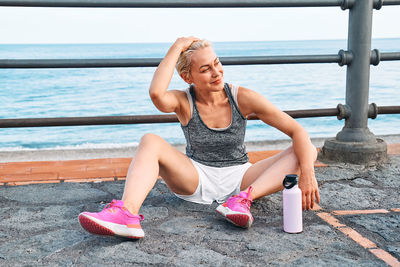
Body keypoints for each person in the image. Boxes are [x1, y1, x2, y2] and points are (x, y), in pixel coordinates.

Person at [78, 37, 320, 239]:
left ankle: (242, 201)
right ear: (188, 77)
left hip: (241, 178)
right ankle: (127, 215)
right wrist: (176, 47)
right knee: (150, 140)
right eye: (205, 69)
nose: (216, 73)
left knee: (306, 149)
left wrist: (307, 173)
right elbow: (156, 94)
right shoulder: (184, 101)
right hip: (195, 176)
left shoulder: (242, 97)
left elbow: (297, 131)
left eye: (217, 63)